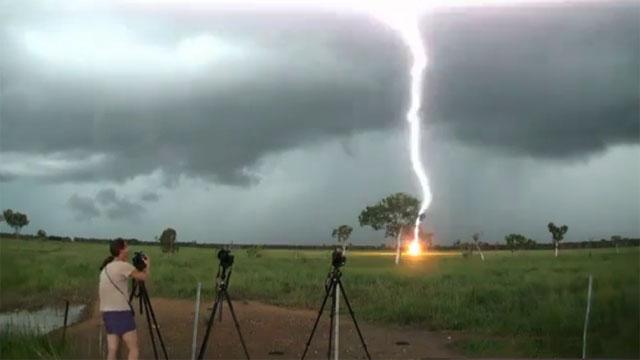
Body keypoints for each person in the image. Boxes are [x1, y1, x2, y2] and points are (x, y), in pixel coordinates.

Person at [99, 239, 150, 360]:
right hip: (121, 312)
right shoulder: (123, 266)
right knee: (133, 348)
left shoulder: (106, 268)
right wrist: (147, 265)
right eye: (126, 248)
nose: (128, 250)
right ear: (121, 250)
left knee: (112, 349)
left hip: (107, 313)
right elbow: (143, 277)